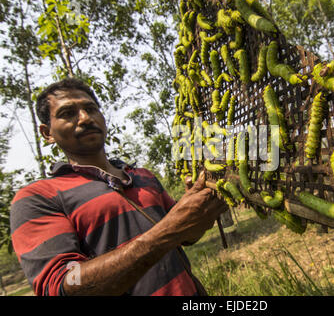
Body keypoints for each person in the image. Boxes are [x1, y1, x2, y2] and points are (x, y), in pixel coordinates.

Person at [9, 78, 228, 296]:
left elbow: (186, 235)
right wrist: (169, 230)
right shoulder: (37, 198)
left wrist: (200, 210)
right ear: (47, 133)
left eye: (91, 108)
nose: (85, 118)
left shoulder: (143, 176)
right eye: (68, 113)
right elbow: (61, 286)